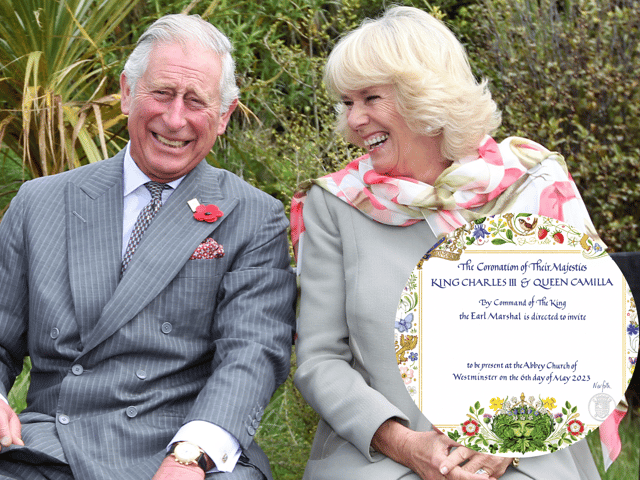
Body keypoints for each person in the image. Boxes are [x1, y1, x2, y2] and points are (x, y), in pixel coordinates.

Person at [291, 6, 602, 480]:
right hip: (379, 454)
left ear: (424, 97)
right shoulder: (336, 204)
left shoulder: (532, 185)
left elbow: (587, 335)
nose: (354, 119)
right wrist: (403, 442)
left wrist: (507, 439)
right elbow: (319, 359)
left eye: (371, 97)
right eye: (347, 102)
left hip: (527, 447)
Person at [0, 14, 296, 480]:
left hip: (188, 446)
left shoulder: (253, 216)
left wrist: (192, 454)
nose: (175, 118)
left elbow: (252, 353)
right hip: (50, 448)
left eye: (196, 101)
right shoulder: (40, 202)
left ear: (224, 117)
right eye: (162, 93)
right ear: (126, 92)